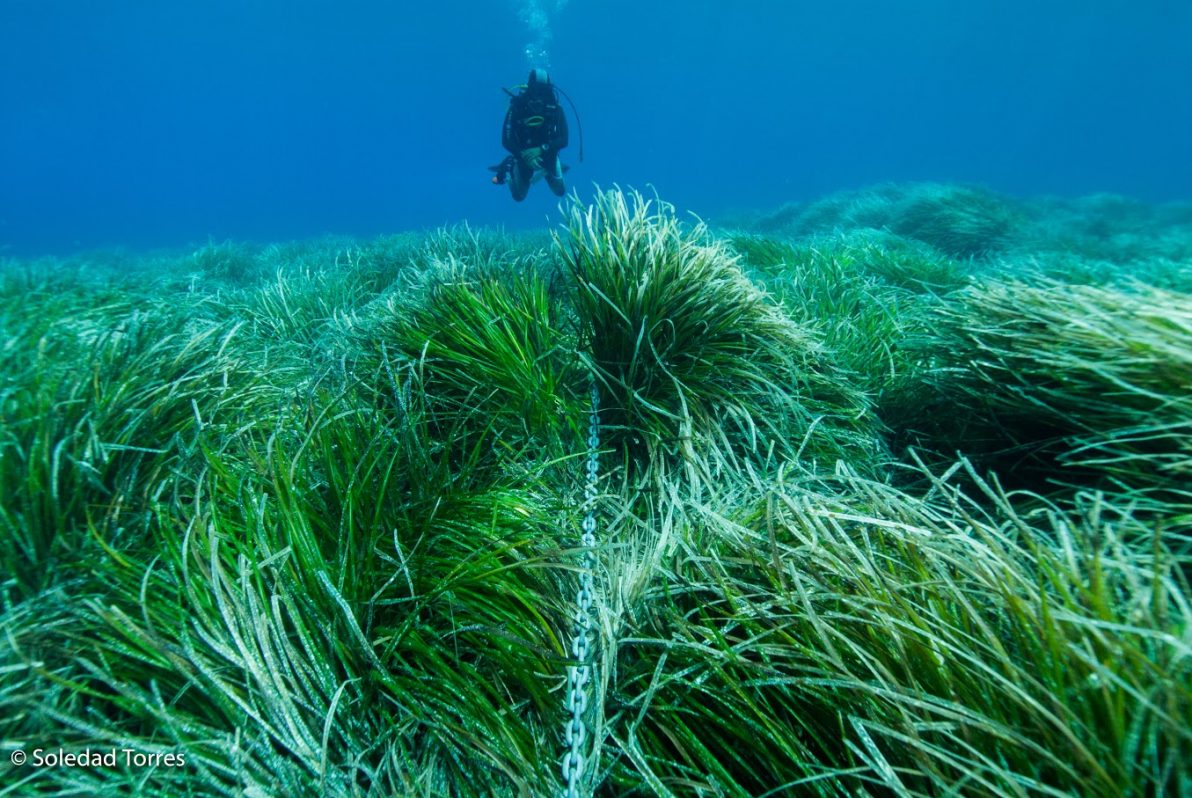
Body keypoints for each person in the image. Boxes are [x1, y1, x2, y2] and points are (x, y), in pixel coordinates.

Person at [491, 69, 569, 201]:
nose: (539, 96)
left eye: (543, 91)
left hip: (548, 152)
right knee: (518, 196)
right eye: (536, 90)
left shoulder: (556, 108)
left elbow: (564, 140)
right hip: (523, 155)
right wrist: (523, 155)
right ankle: (510, 165)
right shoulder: (516, 107)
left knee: (560, 191)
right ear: (529, 89)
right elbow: (506, 140)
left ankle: (551, 166)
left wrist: (541, 149)